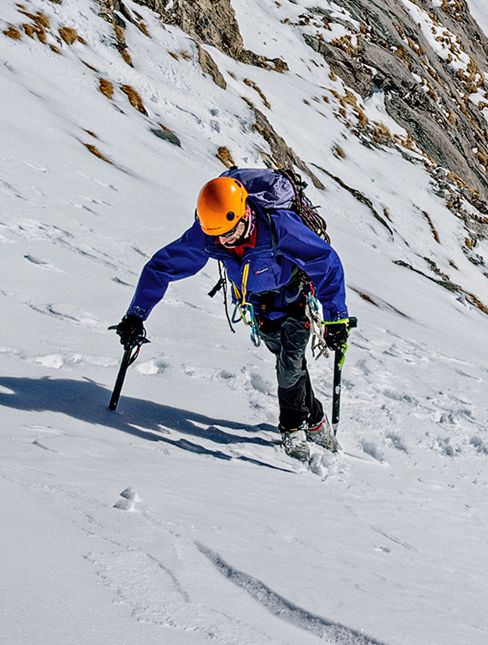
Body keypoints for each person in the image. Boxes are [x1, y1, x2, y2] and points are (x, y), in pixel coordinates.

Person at [111, 169, 352, 458]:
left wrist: (336, 317)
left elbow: (324, 261)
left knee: (289, 364)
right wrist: (136, 315)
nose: (225, 242)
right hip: (259, 308)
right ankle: (315, 419)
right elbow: (162, 267)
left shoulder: (278, 227)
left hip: (294, 297)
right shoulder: (209, 234)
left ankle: (293, 429)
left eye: (230, 233)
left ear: (244, 215)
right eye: (218, 236)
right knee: (288, 361)